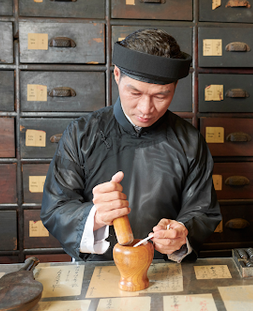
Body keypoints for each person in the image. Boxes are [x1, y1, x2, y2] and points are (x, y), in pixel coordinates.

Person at [41, 29, 222, 262]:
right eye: (135, 92)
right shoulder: (81, 133)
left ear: (174, 87)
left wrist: (181, 233)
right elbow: (55, 209)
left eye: (161, 96)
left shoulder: (189, 140)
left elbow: (202, 210)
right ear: (117, 75)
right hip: (99, 268)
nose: (146, 109)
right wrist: (95, 216)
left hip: (161, 268)